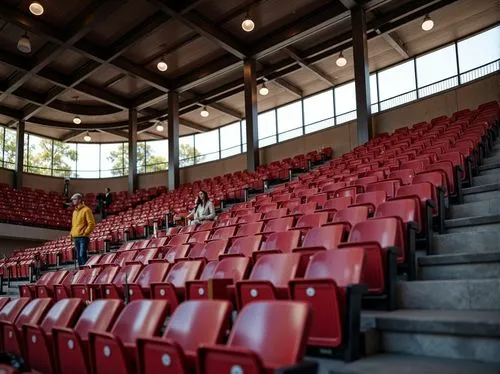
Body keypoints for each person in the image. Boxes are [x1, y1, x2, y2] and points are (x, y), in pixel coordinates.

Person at [69, 193, 96, 267]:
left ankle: (86, 271)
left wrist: (85, 233)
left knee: (82, 255)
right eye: (72, 200)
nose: (73, 201)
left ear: (80, 200)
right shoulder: (74, 212)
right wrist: (71, 234)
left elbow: (91, 223)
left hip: (83, 237)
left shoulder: (86, 210)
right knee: (78, 256)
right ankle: (81, 272)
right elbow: (74, 225)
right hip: (75, 237)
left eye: (74, 199)